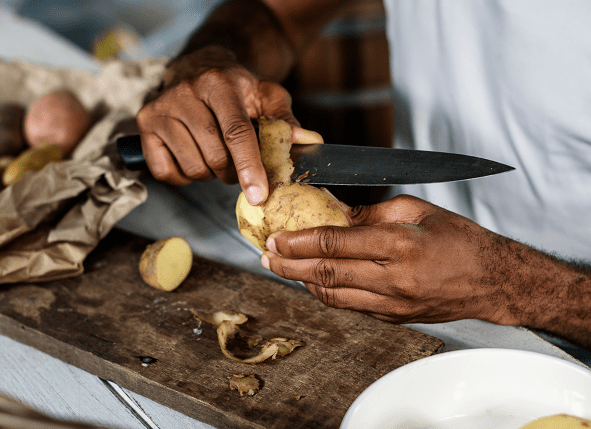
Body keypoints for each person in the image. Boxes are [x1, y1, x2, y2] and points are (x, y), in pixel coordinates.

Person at [135, 0, 591, 351]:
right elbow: (275, 14)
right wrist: (210, 60)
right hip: (397, 289)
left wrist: (515, 285)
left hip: (565, 340)